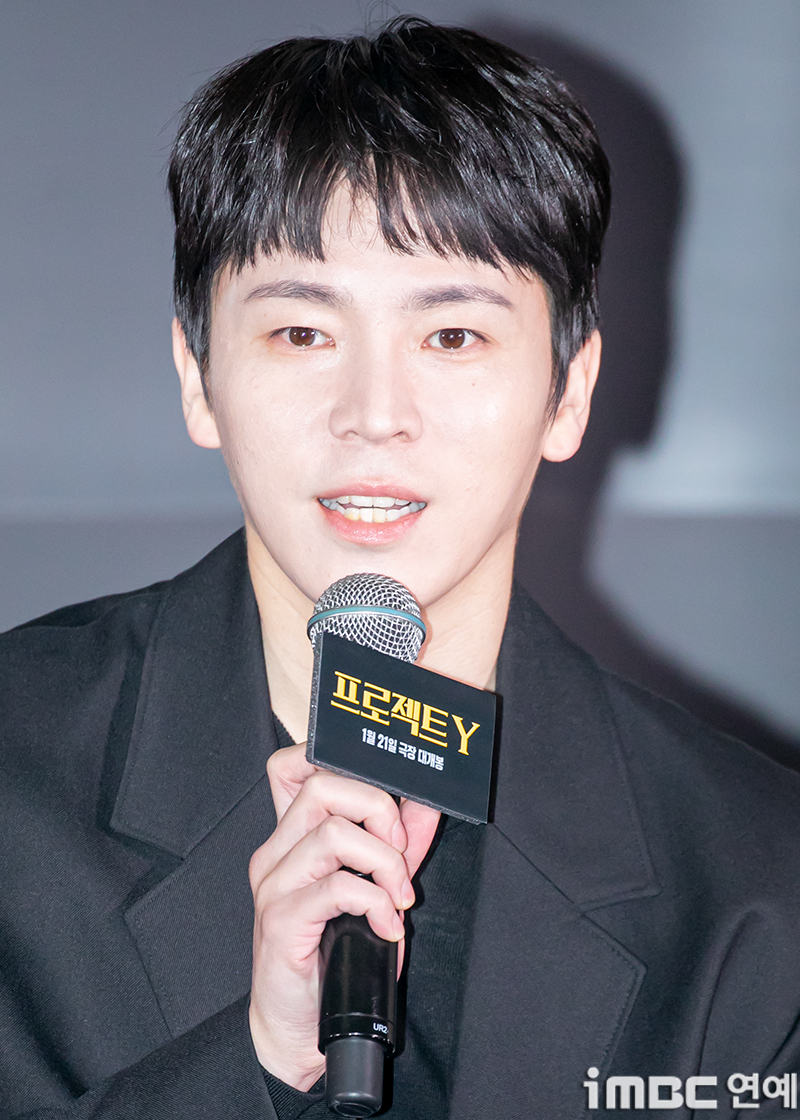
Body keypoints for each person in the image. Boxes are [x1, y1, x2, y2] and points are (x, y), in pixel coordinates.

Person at [2, 17, 800, 1119]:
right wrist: (252, 1064)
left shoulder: (756, 883)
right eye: (301, 334)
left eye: (452, 337)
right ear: (197, 375)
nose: (373, 415)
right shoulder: (16, 776)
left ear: (567, 393)